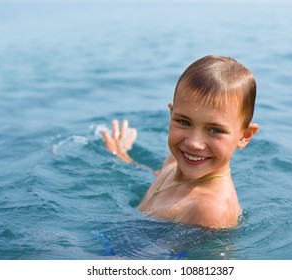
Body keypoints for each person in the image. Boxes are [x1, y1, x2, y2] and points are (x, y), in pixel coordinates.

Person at [102, 55, 259, 229]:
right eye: (184, 122)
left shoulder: (208, 210)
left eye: (215, 130)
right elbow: (160, 174)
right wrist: (122, 155)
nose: (193, 143)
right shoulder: (176, 160)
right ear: (171, 114)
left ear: (244, 136)